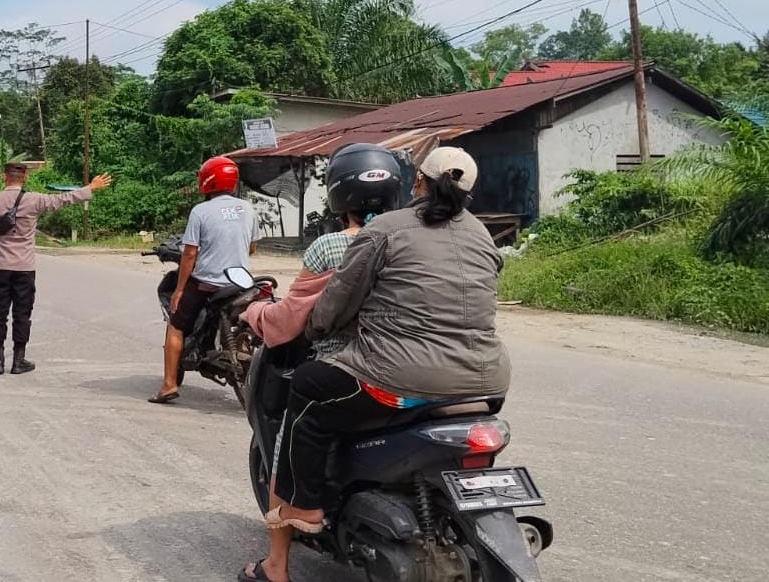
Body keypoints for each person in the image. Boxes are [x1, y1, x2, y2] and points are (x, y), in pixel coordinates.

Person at [240, 147, 509, 582]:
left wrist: (318, 330)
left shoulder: (384, 230)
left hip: (401, 375)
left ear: (418, 183)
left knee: (306, 388)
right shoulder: (482, 235)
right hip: (487, 383)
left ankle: (298, 520)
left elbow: (330, 309)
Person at [241, 143, 402, 349]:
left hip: (337, 355)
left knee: (300, 378)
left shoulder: (326, 246)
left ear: (338, 191)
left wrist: (256, 311)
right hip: (396, 353)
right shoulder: (406, 242)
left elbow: (293, 311)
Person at [0, 163, 113, 374]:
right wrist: (91, 187)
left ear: (4, 177)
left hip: (0, 266)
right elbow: (63, 199)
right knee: (22, 314)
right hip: (24, 267)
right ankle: (18, 361)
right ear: (24, 179)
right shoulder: (35, 200)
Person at [149, 156, 258, 404]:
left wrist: (178, 291)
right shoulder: (248, 208)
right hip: (241, 283)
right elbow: (251, 248)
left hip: (208, 284)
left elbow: (189, 254)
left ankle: (168, 385)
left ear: (206, 181)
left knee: (176, 325)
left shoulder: (200, 211)